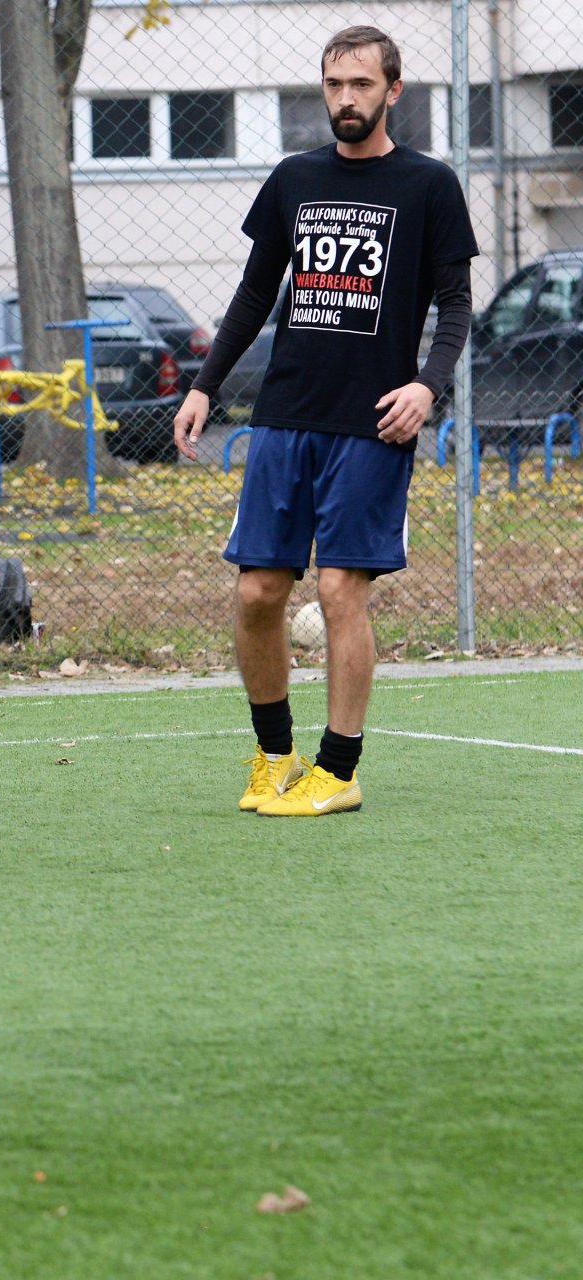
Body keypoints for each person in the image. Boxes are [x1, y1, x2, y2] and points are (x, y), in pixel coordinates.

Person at [174, 25, 477, 817]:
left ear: (393, 91)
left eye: (362, 85)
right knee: (257, 592)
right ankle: (276, 757)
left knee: (342, 589)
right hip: (285, 416)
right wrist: (205, 387)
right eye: (335, 84)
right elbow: (252, 295)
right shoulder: (292, 179)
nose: (347, 98)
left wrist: (427, 388)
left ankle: (338, 771)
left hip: (374, 423)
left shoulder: (429, 185)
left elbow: (455, 307)